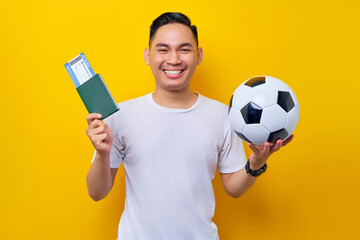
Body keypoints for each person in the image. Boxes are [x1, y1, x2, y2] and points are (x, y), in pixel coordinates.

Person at [85, 12, 293, 240]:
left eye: (184, 49)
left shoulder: (223, 115)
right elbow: (97, 193)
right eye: (163, 50)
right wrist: (102, 154)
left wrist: (256, 164)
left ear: (198, 55)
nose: (173, 59)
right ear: (147, 55)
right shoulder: (121, 115)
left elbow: (234, 188)